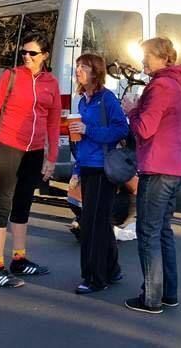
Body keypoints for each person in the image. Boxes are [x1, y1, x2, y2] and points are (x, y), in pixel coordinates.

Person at [0, 32, 62, 288]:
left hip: (34, 151)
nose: (26, 56)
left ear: (44, 56)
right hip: (8, 146)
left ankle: (19, 259)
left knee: (23, 204)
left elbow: (54, 122)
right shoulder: (11, 76)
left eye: (32, 53)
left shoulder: (51, 83)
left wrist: (51, 157)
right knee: (3, 204)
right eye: (24, 52)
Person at [122, 37, 181, 314]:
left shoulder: (160, 86)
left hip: (158, 166)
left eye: (147, 56)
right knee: (162, 231)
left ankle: (151, 298)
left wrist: (131, 110)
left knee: (148, 232)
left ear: (163, 58)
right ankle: (168, 293)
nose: (143, 61)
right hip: (174, 167)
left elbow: (145, 128)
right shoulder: (176, 84)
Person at [71, 53, 130, 294]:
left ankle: (95, 278)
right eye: (77, 66)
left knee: (91, 223)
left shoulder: (107, 99)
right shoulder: (82, 101)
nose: (78, 70)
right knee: (100, 221)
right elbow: (80, 140)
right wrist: (76, 169)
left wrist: (89, 129)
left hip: (102, 168)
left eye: (84, 67)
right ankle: (112, 269)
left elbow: (121, 129)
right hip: (87, 166)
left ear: (96, 72)